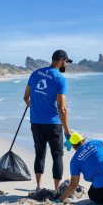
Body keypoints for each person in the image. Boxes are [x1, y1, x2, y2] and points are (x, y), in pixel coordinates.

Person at [23, 49, 72, 192]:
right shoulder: (60, 79)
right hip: (53, 123)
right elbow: (62, 108)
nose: (67, 65)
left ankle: (38, 187)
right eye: (67, 62)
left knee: (39, 153)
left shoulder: (35, 73)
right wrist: (67, 131)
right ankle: (56, 190)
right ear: (61, 60)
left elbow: (26, 97)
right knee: (57, 155)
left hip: (36, 122)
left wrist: (35, 107)